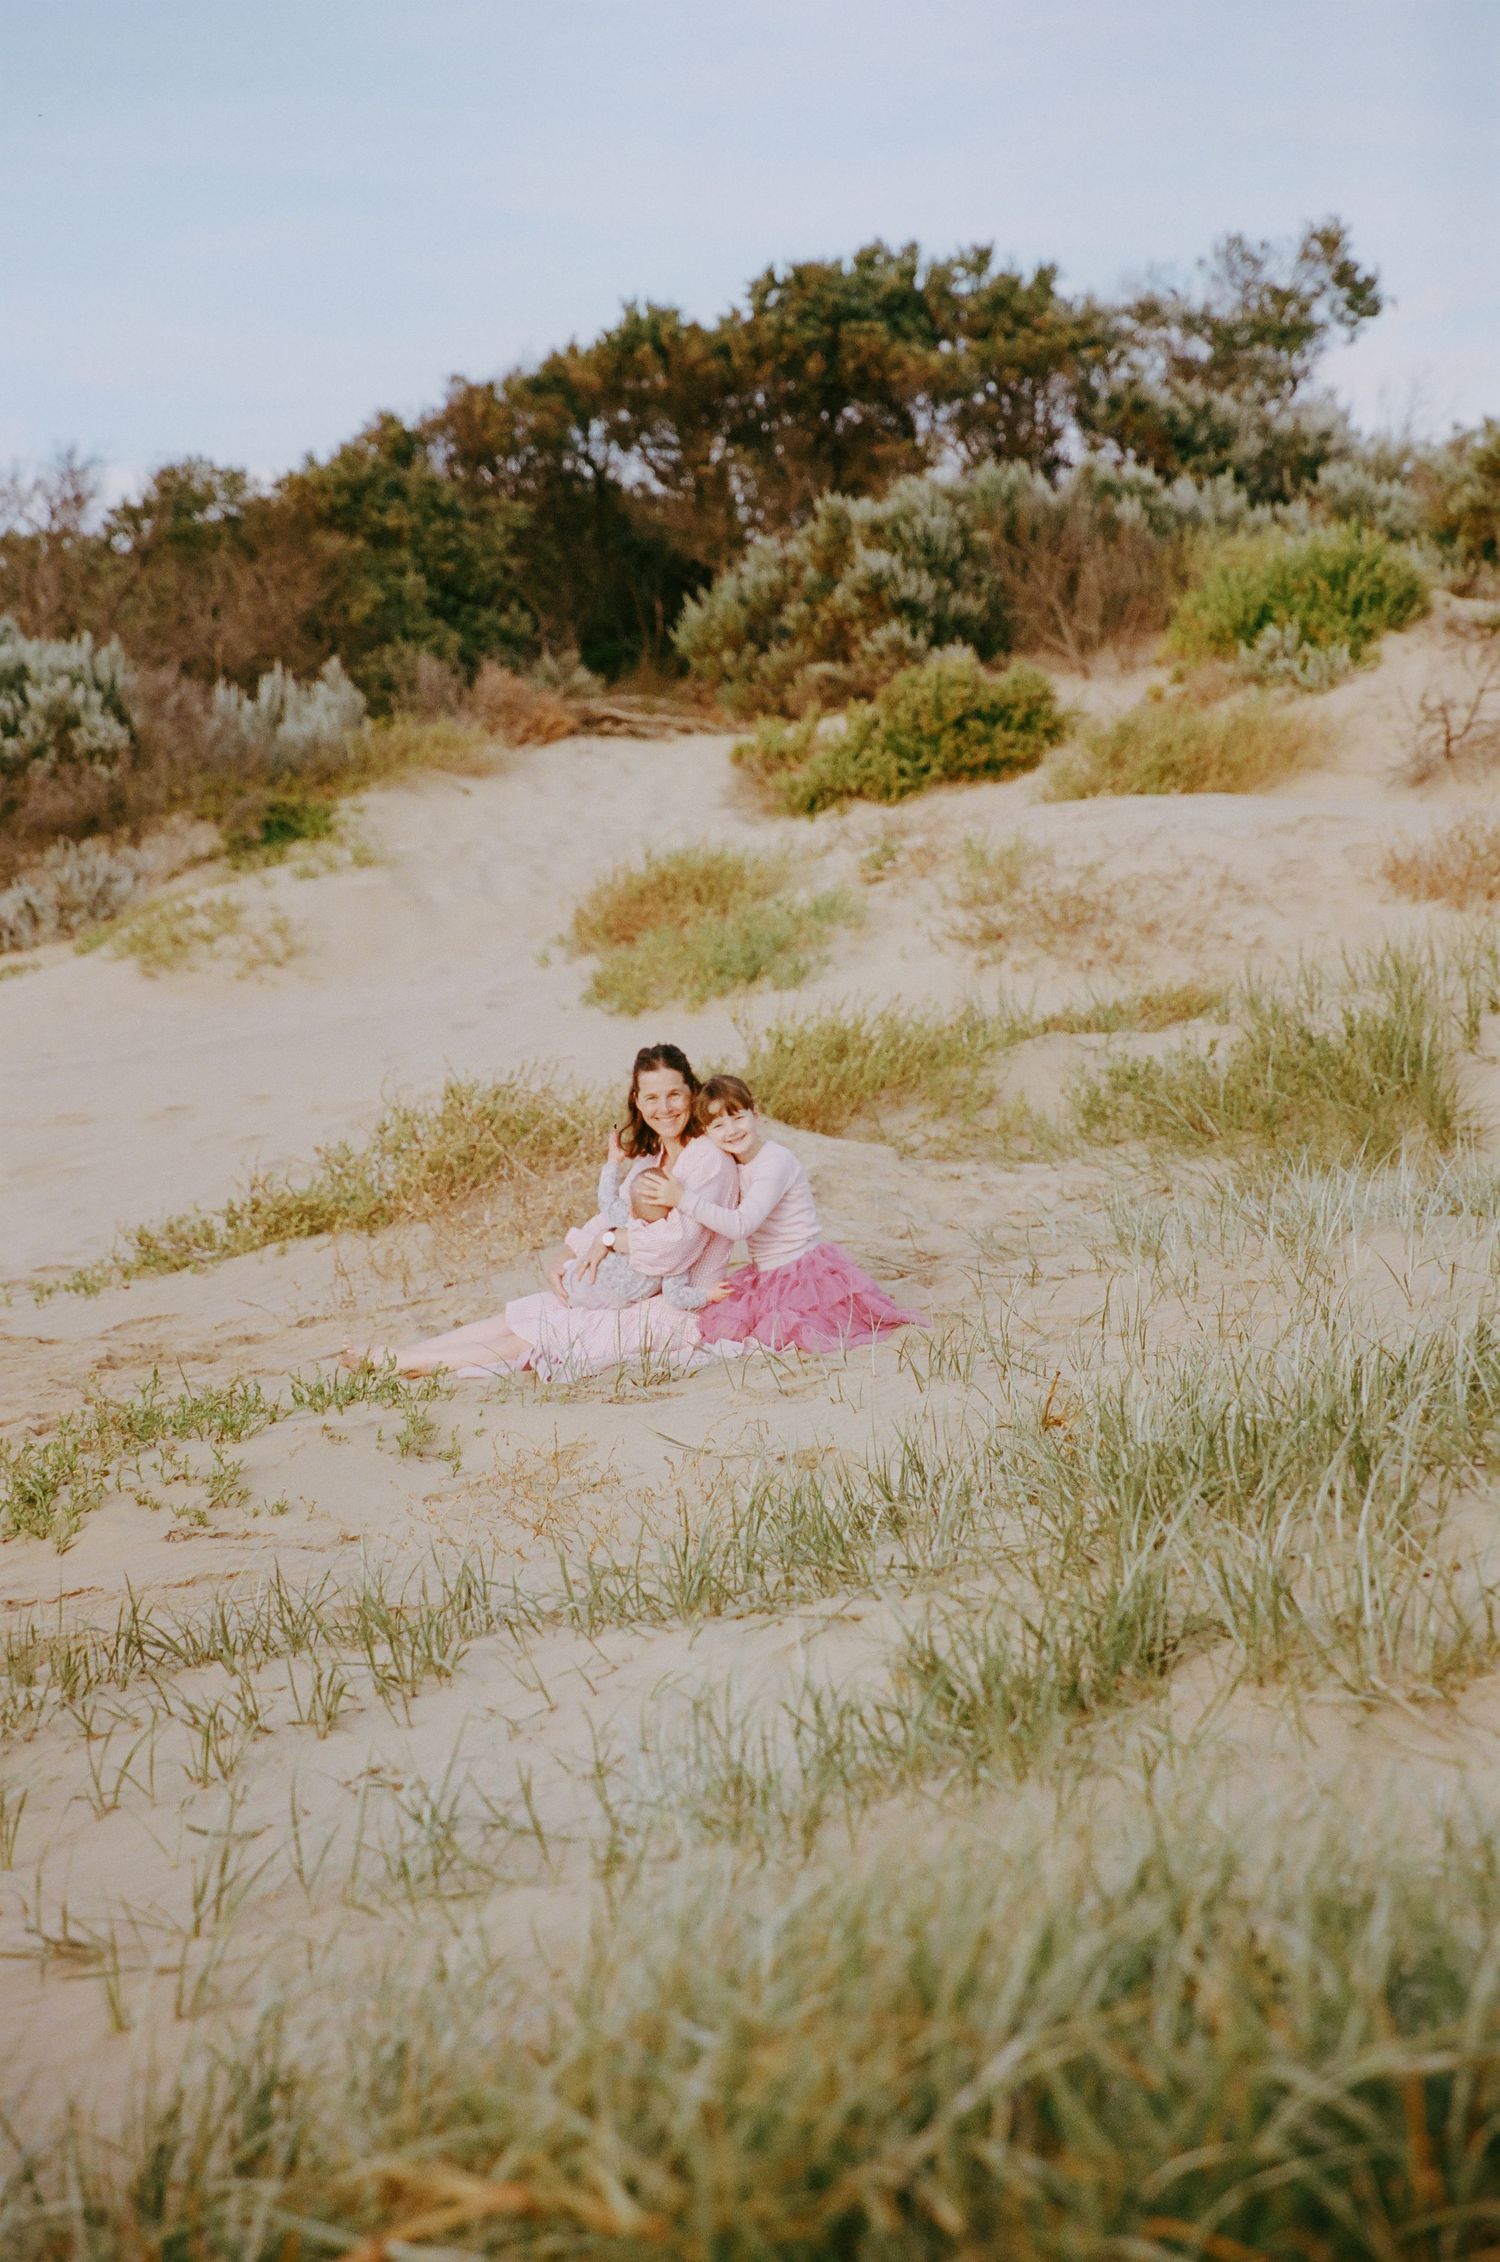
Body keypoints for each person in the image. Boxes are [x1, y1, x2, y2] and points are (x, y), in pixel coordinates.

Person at [339, 1044, 737, 1381]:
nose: (664, 1108)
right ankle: (400, 1353)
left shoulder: (708, 1160)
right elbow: (612, 1216)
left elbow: (675, 1248)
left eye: (674, 1095)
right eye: (651, 1097)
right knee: (525, 1312)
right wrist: (566, 1255)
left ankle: (402, 1364)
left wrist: (612, 1241)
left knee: (541, 1333)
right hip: (630, 1291)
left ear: (693, 1094)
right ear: (637, 1100)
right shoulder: (652, 1158)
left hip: (680, 1305)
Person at [637, 1075, 921, 1353]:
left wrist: (683, 1198)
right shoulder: (733, 1163)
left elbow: (741, 1226)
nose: (732, 1130)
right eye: (719, 1125)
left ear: (756, 1114)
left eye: (738, 1118)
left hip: (802, 1270)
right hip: (767, 1273)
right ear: (708, 1134)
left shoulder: (775, 1162)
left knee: (786, 1332)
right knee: (725, 1320)